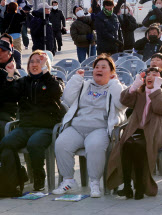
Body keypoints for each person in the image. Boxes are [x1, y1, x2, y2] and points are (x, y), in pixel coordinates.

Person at [52, 55, 126, 198]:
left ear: (111, 72)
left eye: (104, 67)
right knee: (61, 143)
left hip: (99, 128)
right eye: (96, 67)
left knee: (95, 146)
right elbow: (67, 99)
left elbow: (121, 104)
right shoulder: (85, 85)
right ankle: (68, 180)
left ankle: (94, 183)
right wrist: (75, 79)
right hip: (77, 127)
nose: (99, 69)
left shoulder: (116, 87)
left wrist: (115, 83)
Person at [0, 51, 64, 191]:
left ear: (45, 64)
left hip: (46, 128)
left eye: (38, 61)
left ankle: (39, 177)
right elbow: (9, 95)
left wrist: (46, 72)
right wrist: (10, 75)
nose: (35, 64)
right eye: (32, 61)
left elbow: (56, 91)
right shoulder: (23, 82)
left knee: (34, 143)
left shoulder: (54, 80)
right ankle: (16, 177)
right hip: (25, 127)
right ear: (28, 65)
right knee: (6, 142)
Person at [107, 67, 162, 199]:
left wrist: (156, 89)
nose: (150, 76)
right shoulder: (140, 93)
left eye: (155, 74)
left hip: (154, 132)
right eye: (148, 74)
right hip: (136, 130)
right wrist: (134, 86)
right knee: (125, 145)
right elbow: (124, 101)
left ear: (161, 80)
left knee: (138, 146)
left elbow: (159, 108)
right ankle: (127, 187)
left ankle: (141, 187)